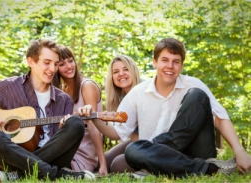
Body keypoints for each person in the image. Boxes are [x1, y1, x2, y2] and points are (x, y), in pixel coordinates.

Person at [78, 38, 251, 178]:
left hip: (194, 151)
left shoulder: (193, 85)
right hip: (160, 155)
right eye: (165, 60)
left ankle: (155, 167)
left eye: (176, 62)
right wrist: (94, 117)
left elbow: (220, 118)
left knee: (197, 95)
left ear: (181, 65)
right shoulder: (138, 93)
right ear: (154, 62)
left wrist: (240, 151)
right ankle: (209, 169)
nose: (170, 66)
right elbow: (117, 132)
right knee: (133, 149)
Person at [0, 39, 95, 181]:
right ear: (31, 62)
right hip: (16, 158)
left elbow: (60, 145)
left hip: (52, 157)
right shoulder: (9, 87)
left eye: (55, 64)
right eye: (47, 63)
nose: (52, 69)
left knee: (76, 123)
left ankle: (18, 175)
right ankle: (56, 175)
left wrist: (63, 127)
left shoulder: (64, 99)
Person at [52, 45, 108, 176]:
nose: (69, 66)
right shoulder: (63, 92)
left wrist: (103, 163)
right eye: (62, 64)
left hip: (84, 154)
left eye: (71, 61)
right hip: (68, 148)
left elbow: (94, 127)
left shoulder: (86, 85)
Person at [104, 55, 141, 173]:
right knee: (104, 161)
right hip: (135, 141)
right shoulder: (120, 97)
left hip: (152, 142)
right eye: (116, 71)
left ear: (133, 70)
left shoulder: (144, 89)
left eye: (126, 69)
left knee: (117, 166)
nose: (121, 74)